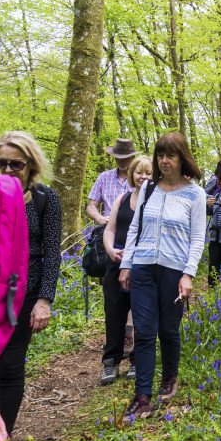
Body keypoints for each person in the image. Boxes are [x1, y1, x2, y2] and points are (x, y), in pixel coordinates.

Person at [118, 132, 206, 422]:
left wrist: (188, 274)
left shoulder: (195, 193)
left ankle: (169, 375)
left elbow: (197, 238)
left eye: (171, 155)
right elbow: (135, 229)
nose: (164, 161)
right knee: (144, 331)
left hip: (173, 271)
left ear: (182, 158)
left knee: (168, 330)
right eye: (160, 155)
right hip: (143, 267)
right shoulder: (148, 189)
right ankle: (142, 396)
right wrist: (126, 264)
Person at [0, 132, 61, 436]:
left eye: (15, 165)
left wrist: (45, 299)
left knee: (10, 365)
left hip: (23, 293)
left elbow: (52, 252)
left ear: (31, 165)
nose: (6, 170)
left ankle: (1, 436)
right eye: (0, 162)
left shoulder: (45, 198)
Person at [101, 155, 153, 385]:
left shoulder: (157, 201)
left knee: (142, 315)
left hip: (145, 267)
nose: (143, 177)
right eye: (139, 172)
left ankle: (136, 360)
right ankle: (111, 362)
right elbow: (110, 229)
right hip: (116, 264)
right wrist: (111, 250)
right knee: (114, 315)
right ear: (132, 174)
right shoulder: (122, 199)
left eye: (149, 173)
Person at [86, 138, 140, 225]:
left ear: (132, 157)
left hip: (134, 227)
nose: (121, 161)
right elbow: (91, 205)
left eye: (125, 158)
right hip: (109, 227)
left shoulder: (140, 178)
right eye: (118, 158)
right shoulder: (104, 177)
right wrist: (99, 218)